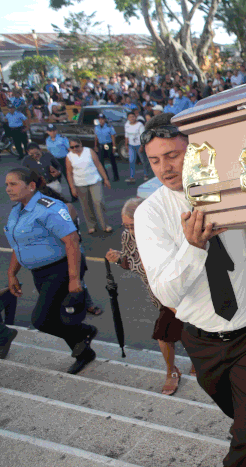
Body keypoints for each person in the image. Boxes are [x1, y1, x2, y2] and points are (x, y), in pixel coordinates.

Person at [134, 113, 246, 467]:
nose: (165, 167)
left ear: (193, 148)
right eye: (155, 160)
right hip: (202, 341)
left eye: (173, 155)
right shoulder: (151, 214)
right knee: (243, 419)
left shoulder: (233, 185)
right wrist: (193, 248)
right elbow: (166, 294)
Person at [4, 168, 98, 374]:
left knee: (41, 319)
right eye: (6, 184)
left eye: (13, 184)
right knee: (55, 318)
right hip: (39, 272)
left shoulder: (49, 208)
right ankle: (83, 353)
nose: (7, 189)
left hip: (60, 268)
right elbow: (19, 246)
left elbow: (71, 241)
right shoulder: (16, 210)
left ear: (31, 186)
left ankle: (85, 331)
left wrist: (74, 279)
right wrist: (12, 274)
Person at [105, 198, 196, 395]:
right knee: (182, 328)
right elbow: (130, 263)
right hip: (157, 293)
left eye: (134, 226)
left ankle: (173, 371)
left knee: (166, 332)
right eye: (127, 226)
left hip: (178, 289)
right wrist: (119, 259)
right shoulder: (127, 237)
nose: (131, 231)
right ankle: (180, 367)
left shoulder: (165, 231)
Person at [66, 137, 112, 234]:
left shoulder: (89, 151)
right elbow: (69, 173)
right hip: (80, 184)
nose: (75, 149)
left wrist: (106, 179)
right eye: (72, 147)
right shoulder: (69, 156)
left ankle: (105, 225)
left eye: (76, 146)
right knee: (86, 206)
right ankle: (91, 225)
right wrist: (72, 187)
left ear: (81, 144)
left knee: (98, 202)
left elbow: (98, 164)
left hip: (95, 180)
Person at [45, 125, 71, 195]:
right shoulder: (47, 140)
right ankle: (58, 196)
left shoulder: (62, 138)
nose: (52, 132)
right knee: (56, 180)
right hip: (54, 161)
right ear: (47, 132)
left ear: (56, 131)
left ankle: (73, 195)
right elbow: (49, 151)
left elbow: (69, 149)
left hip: (64, 159)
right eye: (50, 131)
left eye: (54, 131)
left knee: (68, 178)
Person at [94, 113, 120, 182]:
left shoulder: (109, 126)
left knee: (111, 160)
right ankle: (105, 177)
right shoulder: (97, 127)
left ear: (105, 120)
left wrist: (114, 147)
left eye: (102, 119)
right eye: (99, 119)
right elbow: (96, 137)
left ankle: (116, 176)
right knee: (101, 161)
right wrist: (95, 145)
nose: (101, 121)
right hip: (100, 145)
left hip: (107, 145)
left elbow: (113, 136)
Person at [124, 111, 146, 183]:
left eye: (133, 117)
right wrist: (126, 144)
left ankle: (146, 174)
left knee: (143, 160)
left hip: (139, 145)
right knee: (131, 161)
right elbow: (126, 136)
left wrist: (142, 146)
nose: (132, 118)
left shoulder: (140, 125)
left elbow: (142, 136)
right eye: (130, 117)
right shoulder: (127, 125)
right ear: (128, 118)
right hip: (131, 145)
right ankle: (132, 177)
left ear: (135, 117)